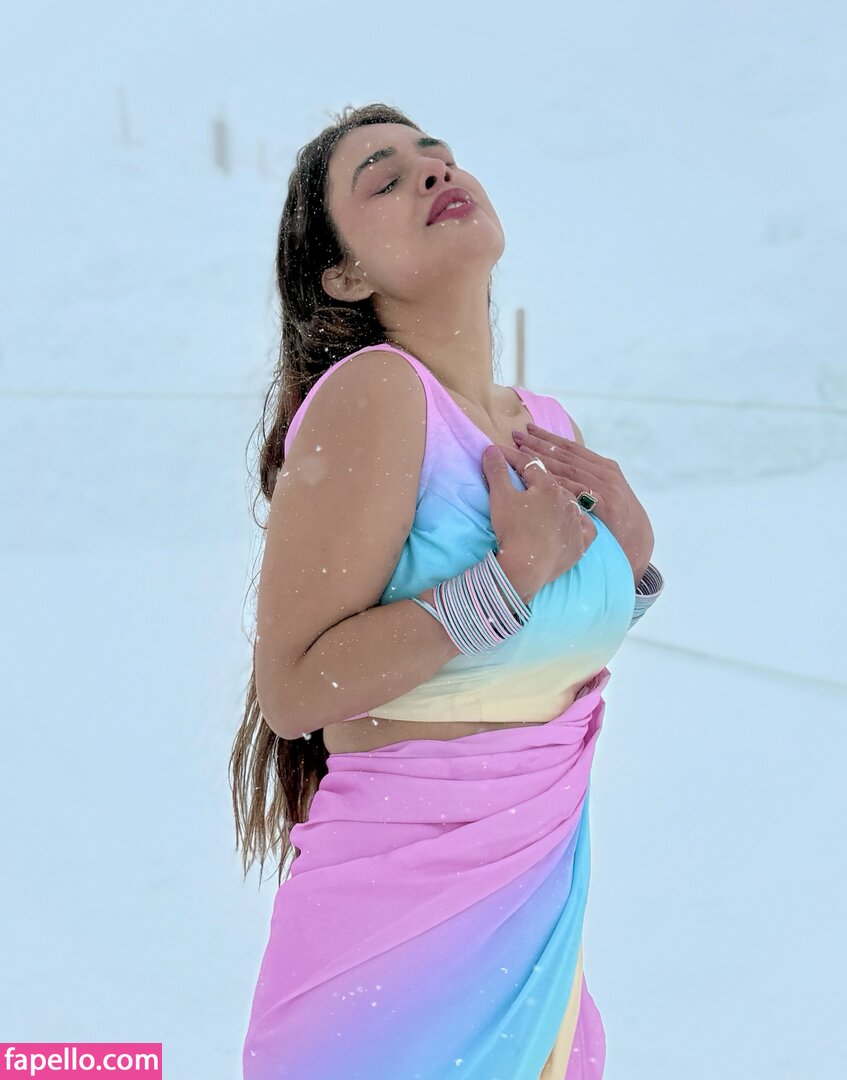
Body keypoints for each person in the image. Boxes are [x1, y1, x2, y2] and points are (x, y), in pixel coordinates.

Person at [231, 102, 664, 1080]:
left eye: (440, 157)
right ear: (346, 275)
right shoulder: (377, 391)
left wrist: (630, 568)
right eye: (384, 179)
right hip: (396, 955)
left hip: (537, 932)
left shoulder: (543, 422)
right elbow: (295, 691)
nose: (433, 173)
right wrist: (508, 577)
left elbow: (526, 662)